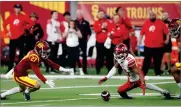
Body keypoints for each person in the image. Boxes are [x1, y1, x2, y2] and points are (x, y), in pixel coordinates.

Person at [0, 41, 73, 101]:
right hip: (19, 75)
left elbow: (52, 64)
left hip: (22, 73)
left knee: (21, 89)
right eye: (44, 52)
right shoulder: (34, 57)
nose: (45, 54)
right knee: (37, 85)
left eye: (46, 52)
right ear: (38, 51)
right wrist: (45, 81)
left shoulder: (37, 54)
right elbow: (36, 71)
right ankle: (27, 92)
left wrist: (65, 70)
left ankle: (2, 95)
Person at [98, 43, 172, 99]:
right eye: (117, 53)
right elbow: (115, 67)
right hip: (131, 78)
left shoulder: (129, 62)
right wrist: (106, 77)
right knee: (122, 91)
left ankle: (164, 91)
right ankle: (164, 91)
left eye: (119, 54)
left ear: (125, 53)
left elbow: (140, 72)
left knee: (121, 90)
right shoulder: (120, 57)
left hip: (134, 81)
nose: (117, 55)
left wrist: (142, 83)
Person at [3, 4, 34, 72]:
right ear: (14, 9)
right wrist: (7, 32)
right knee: (12, 53)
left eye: (19, 8)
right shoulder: (11, 16)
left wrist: (25, 28)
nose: (17, 9)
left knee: (21, 53)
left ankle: (20, 68)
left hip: (21, 37)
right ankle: (10, 68)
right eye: (16, 8)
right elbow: (4, 24)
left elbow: (32, 23)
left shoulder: (23, 16)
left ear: (20, 9)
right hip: (13, 37)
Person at [138, 11, 169, 76]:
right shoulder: (146, 23)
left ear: (155, 16)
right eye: (150, 15)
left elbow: (167, 32)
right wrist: (139, 41)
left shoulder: (161, 23)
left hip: (159, 46)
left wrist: (167, 39)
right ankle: (143, 73)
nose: (152, 16)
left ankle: (158, 73)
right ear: (149, 16)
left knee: (158, 61)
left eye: (153, 15)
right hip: (148, 46)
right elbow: (141, 33)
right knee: (146, 61)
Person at [75, 9, 92, 74]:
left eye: (79, 14)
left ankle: (84, 70)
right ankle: (78, 69)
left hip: (83, 41)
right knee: (76, 55)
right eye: (77, 14)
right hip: (75, 41)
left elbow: (89, 32)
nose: (78, 15)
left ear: (82, 14)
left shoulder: (86, 22)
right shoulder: (74, 22)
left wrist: (88, 38)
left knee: (84, 55)